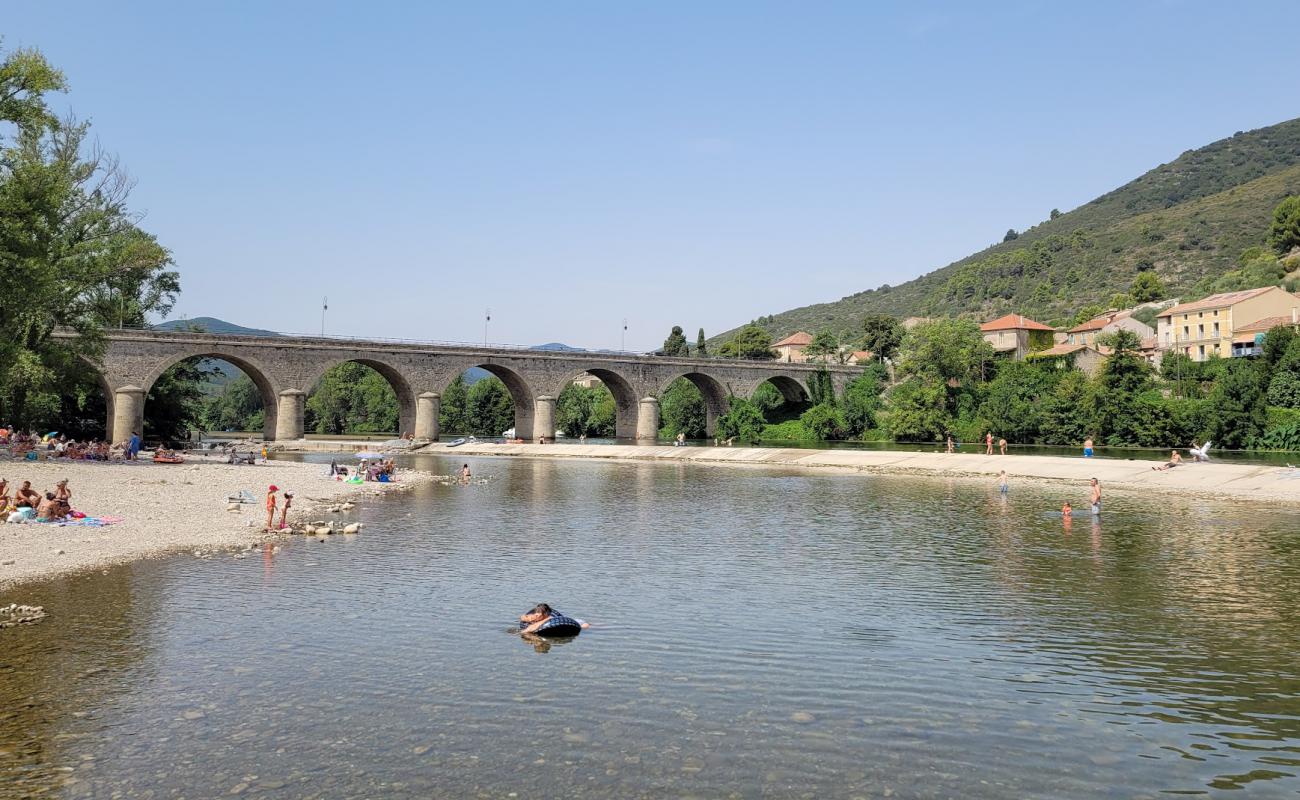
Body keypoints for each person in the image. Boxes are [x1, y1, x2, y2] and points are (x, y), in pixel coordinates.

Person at [517, 603, 589, 635]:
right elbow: (522, 617)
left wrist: (523, 632)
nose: (536, 616)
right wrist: (529, 619)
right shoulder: (534, 616)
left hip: (575, 622)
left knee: (586, 627)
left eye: (539, 614)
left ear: (545, 614)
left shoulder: (549, 618)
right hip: (564, 619)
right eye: (536, 614)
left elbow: (533, 628)